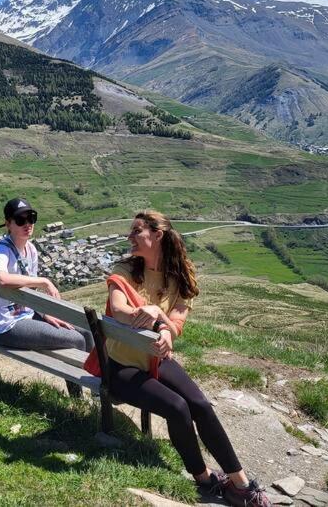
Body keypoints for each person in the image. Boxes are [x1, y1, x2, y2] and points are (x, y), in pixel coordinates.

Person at [105, 210, 271, 507]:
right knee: (178, 408)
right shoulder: (125, 270)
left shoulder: (180, 274)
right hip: (121, 367)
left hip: (156, 359)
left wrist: (166, 332)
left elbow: (177, 320)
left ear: (157, 235)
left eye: (136, 232)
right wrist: (156, 316)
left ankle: (240, 484)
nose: (129, 238)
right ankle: (204, 479)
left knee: (201, 406)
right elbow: (119, 310)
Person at [0, 197, 94, 354]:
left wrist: (45, 313)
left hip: (28, 313)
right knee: (76, 339)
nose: (27, 224)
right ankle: (80, 379)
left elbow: (31, 290)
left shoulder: (31, 249)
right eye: (20, 220)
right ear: (8, 224)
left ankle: (98, 378)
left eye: (31, 218)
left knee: (87, 332)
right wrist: (44, 281)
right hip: (6, 325)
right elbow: (2, 279)